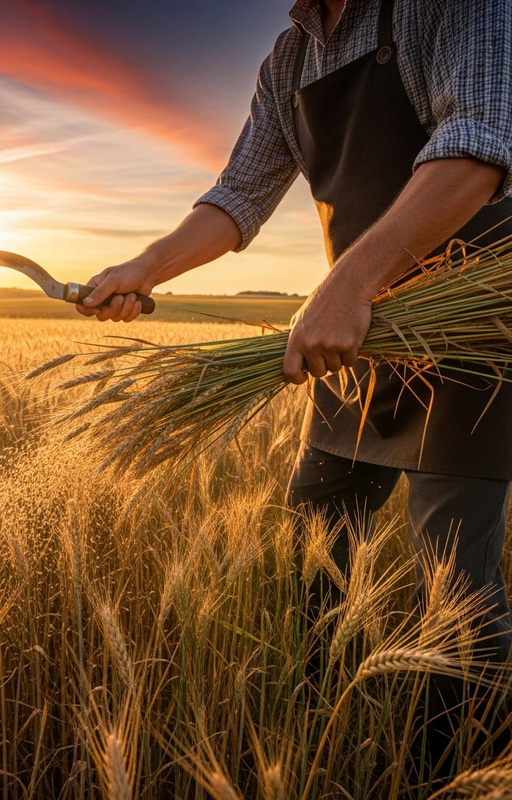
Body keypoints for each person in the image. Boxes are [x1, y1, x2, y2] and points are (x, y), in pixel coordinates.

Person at [76, 0, 512, 778]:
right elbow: (239, 195)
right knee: (316, 527)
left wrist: (349, 281)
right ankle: (320, 738)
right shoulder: (288, 60)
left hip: (466, 326)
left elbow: (477, 149)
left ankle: (466, 768)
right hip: (354, 335)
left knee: (451, 566)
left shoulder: (448, 6)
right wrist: (145, 267)